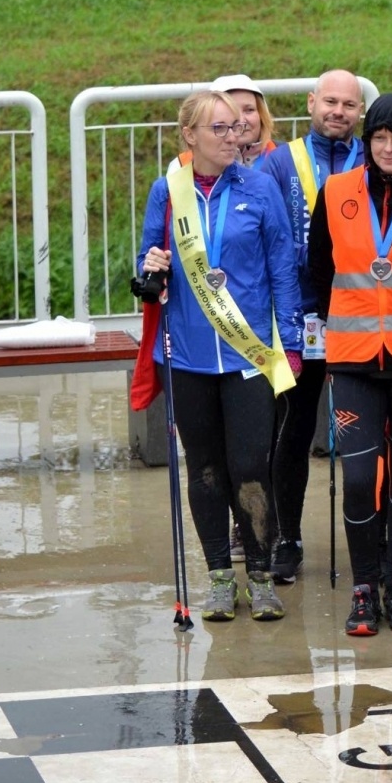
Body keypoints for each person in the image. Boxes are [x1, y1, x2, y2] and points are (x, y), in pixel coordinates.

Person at [135, 89, 301, 622]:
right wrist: (150, 269)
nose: (234, 136)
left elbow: (282, 269)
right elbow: (145, 266)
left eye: (237, 127)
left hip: (248, 355)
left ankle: (261, 576)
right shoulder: (168, 191)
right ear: (190, 135)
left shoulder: (260, 186)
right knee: (204, 469)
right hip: (187, 358)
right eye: (220, 129)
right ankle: (219, 578)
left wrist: (291, 342)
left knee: (250, 467)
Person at [307, 93, 392, 635]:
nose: (387, 148)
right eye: (379, 138)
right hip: (354, 361)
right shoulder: (336, 191)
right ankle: (364, 586)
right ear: (367, 142)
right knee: (360, 478)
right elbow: (319, 269)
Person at [259, 69, 367, 583]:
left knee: (366, 429)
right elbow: (270, 238)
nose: (338, 112)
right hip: (299, 319)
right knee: (293, 430)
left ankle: (375, 534)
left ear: (360, 110)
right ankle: (287, 536)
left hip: (362, 314)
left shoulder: (373, 155)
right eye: (330, 102)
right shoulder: (280, 161)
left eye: (348, 104)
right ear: (311, 102)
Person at [210, 74, 279, 166]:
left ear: (261, 114)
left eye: (249, 110)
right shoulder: (192, 164)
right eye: (230, 111)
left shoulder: (287, 157)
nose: (241, 121)